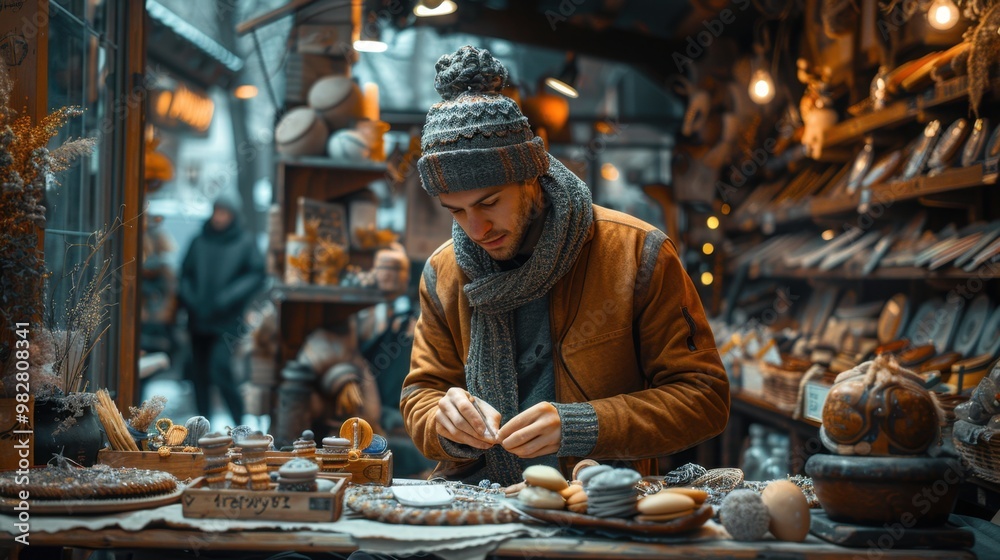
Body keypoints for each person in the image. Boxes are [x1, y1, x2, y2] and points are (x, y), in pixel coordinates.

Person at [400, 46, 731, 487]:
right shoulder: (444, 272)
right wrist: (445, 422)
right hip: (476, 500)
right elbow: (421, 396)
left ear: (532, 178)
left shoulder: (637, 253)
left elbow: (704, 399)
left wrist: (583, 426)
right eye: (456, 211)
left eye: (490, 202)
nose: (476, 229)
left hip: (597, 500)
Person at [178, 191, 264, 425]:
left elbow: (256, 275)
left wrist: (229, 297)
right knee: (199, 374)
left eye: (224, 212)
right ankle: (201, 425)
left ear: (233, 214)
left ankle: (239, 423)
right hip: (198, 318)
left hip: (228, 320)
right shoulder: (199, 240)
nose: (218, 217)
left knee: (220, 368)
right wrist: (191, 299)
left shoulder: (245, 242)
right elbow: (185, 274)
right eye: (216, 211)